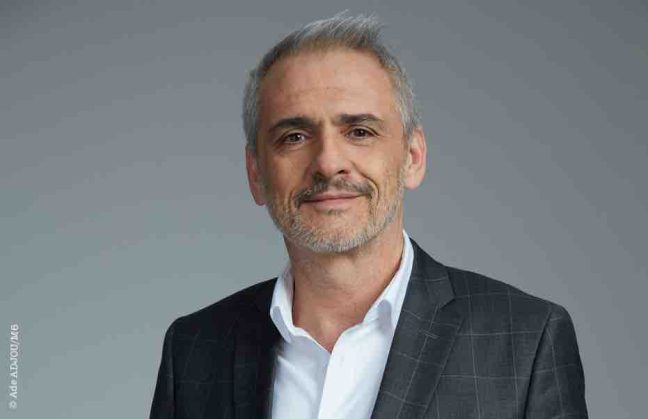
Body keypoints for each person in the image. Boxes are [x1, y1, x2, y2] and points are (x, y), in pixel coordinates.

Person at [149, 13, 588, 419]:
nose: (328, 162)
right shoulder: (194, 350)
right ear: (256, 174)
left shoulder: (525, 342)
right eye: (295, 136)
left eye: (359, 132)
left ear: (413, 157)